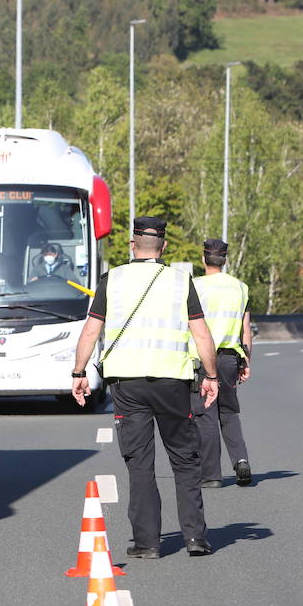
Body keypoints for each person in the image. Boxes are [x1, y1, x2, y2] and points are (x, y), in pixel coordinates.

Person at [70, 216, 220, 558]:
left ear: (132, 245)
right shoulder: (181, 282)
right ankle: (195, 537)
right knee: (184, 459)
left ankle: (147, 543)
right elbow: (201, 334)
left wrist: (78, 372)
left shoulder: (114, 280)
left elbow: (91, 331)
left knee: (140, 463)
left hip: (127, 385)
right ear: (163, 247)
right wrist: (211, 377)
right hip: (172, 383)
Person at [191, 238, 253, 488]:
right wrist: (246, 360)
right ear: (225, 260)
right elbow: (245, 329)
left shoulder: (194, 286)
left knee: (205, 415)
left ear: (203, 258)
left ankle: (211, 475)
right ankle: (240, 460)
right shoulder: (240, 288)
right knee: (228, 412)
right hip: (230, 357)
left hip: (202, 358)